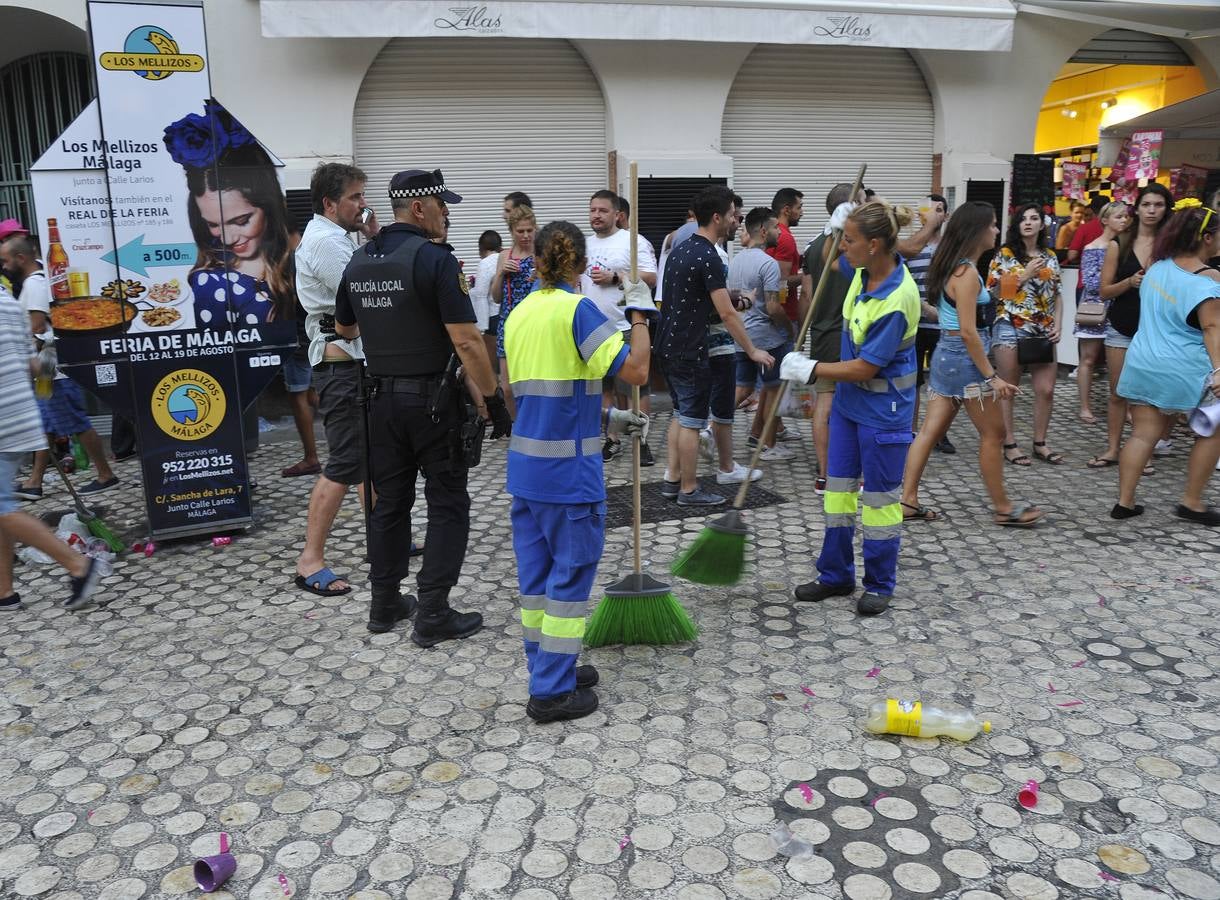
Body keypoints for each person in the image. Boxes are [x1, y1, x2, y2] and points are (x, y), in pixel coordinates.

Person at [334, 168, 511, 646]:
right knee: (448, 503)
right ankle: (432, 611)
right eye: (442, 205)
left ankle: (384, 603)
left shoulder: (358, 260)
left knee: (389, 504)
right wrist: (493, 400)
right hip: (434, 404)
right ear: (418, 208)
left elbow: (345, 330)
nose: (447, 213)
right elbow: (467, 340)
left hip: (379, 403)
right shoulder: (434, 260)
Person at [504, 220, 652, 721]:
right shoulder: (579, 310)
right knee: (569, 582)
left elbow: (529, 396)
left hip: (527, 472)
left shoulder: (519, 314)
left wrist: (608, 418)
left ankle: (549, 663)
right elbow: (636, 371)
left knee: (537, 581)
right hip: (569, 477)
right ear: (581, 265)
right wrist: (640, 313)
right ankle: (550, 692)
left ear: (538, 261)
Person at [779, 200, 920, 616]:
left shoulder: (897, 298)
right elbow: (832, 263)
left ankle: (879, 583)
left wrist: (811, 368)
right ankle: (836, 574)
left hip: (884, 413)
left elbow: (866, 367)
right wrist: (836, 227)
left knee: (879, 502)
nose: (843, 248)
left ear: (874, 245)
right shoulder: (863, 271)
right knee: (837, 494)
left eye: (850, 241)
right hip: (848, 407)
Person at [900, 202, 1044, 527]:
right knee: (994, 434)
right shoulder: (965, 273)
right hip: (964, 360)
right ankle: (1003, 507)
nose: (997, 230)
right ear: (977, 231)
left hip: (946, 357)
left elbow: (984, 301)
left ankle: (907, 500)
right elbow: (969, 331)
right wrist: (991, 377)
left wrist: (1019, 278)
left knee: (928, 431)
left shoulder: (959, 267)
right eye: (993, 224)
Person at [292, 163, 380, 600]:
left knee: (371, 457)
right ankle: (310, 560)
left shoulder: (339, 238)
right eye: (356, 197)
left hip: (352, 361)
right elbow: (368, 294)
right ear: (330, 203)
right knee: (345, 462)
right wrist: (377, 244)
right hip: (340, 364)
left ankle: (383, 538)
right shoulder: (326, 243)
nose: (363, 204)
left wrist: (371, 239)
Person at [656, 185, 774, 506]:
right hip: (692, 349)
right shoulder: (708, 256)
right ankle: (689, 490)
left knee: (681, 416)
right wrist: (752, 350)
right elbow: (725, 311)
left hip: (668, 345)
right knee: (693, 421)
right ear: (718, 217)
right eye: (734, 216)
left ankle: (671, 480)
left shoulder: (681, 249)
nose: (737, 221)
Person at [1112, 200, 1220, 523]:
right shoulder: (1208, 279)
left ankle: (1125, 502)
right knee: (1213, 431)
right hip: (1184, 368)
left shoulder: (1156, 268)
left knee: (1143, 434)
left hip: (1143, 362)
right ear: (1207, 239)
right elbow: (1212, 328)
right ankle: (1191, 501)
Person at [0, 289, 104, 612]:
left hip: (3, 418)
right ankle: (4, 592)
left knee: (1, 507)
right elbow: (34, 360)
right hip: (20, 415)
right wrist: (43, 398)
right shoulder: (6, 300)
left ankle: (79, 565)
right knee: (2, 509)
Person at [0, 235, 119, 499]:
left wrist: (15, 353)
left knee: (74, 419)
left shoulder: (35, 285)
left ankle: (105, 474)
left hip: (50, 366)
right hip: (46, 366)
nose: (4, 267)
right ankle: (35, 481)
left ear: (21, 259)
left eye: (6, 261)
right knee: (45, 422)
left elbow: (37, 328)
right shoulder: (36, 283)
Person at [163, 100, 295, 328]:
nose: (227, 238)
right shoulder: (210, 283)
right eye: (213, 224)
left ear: (269, 206)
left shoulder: (295, 253)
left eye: (242, 221)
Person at [1092, 184, 1173, 469]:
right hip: (1123, 325)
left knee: (1149, 395)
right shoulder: (1119, 243)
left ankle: (1143, 451)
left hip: (1158, 329)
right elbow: (1103, 291)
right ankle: (1113, 449)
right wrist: (1129, 282)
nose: (1151, 210)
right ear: (1136, 208)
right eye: (1146, 204)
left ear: (1166, 208)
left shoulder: (1171, 245)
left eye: (1158, 205)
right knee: (1117, 392)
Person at [580, 190, 658, 464]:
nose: (596, 216)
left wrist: (616, 276)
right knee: (604, 390)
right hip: (593, 329)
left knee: (637, 388)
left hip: (626, 326)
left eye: (602, 210)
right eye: (593, 210)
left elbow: (650, 277)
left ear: (617, 214)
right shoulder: (584, 244)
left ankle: (642, 440)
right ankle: (612, 440)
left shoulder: (632, 241)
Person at [986, 204, 1064, 466]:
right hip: (1010, 324)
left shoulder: (1050, 256)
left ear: (1043, 225)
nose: (1028, 223)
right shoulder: (1005, 255)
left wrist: (1058, 324)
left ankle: (1040, 442)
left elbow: (1057, 294)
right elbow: (996, 293)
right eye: (1023, 219)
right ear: (1016, 225)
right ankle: (1009, 443)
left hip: (1043, 328)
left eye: (1034, 219)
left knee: (1047, 389)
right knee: (1009, 388)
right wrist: (1024, 274)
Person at [801, 184, 863, 495]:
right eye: (862, 202)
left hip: (823, 331)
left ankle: (827, 473)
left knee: (826, 403)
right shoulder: (849, 245)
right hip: (844, 333)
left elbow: (807, 295)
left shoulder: (814, 245)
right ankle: (830, 473)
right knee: (833, 404)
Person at [731, 207, 791, 465]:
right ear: (764, 231)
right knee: (773, 388)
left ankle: (710, 428)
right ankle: (769, 445)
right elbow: (773, 306)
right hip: (768, 338)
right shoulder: (769, 264)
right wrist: (789, 329)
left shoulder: (736, 261)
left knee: (743, 387)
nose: (780, 232)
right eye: (776, 227)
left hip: (742, 334)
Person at [907, 193, 956, 454]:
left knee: (943, 384)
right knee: (913, 382)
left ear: (946, 215)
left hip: (944, 326)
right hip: (915, 325)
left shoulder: (952, 247)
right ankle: (912, 432)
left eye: (939, 209)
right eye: (929, 209)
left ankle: (939, 434)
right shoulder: (910, 246)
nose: (934, 213)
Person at [1077, 201, 1130, 436]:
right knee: (1088, 358)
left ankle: (1123, 406)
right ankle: (1085, 406)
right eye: (1119, 216)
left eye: (1125, 216)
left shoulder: (1128, 248)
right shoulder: (1093, 247)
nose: (1124, 220)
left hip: (1119, 308)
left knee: (1121, 362)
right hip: (1095, 308)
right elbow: (1091, 282)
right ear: (1106, 220)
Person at [280, 213, 320, 478]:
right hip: (314, 332)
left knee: (298, 395)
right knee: (311, 394)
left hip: (298, 334)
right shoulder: (310, 251)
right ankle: (357, 431)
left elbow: (295, 297)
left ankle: (310, 457)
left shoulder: (292, 259)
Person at [491, 205, 537, 419]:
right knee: (507, 387)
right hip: (508, 323)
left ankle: (532, 426)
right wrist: (501, 273)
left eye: (530, 230)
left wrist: (542, 276)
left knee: (532, 382)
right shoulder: (504, 255)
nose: (526, 235)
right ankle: (516, 427)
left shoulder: (541, 254)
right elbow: (496, 297)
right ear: (511, 231)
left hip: (535, 325)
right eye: (521, 231)